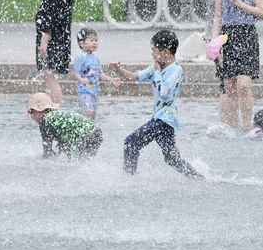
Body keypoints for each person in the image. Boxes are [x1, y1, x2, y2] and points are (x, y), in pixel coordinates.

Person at [109, 30, 203, 179]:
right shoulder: (156, 67)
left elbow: (164, 92)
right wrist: (118, 70)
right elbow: (136, 76)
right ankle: (198, 179)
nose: (152, 54)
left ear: (165, 51)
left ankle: (127, 179)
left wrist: (158, 73)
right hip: (163, 120)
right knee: (172, 158)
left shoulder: (176, 70)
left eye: (154, 50)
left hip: (164, 119)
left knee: (130, 143)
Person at [212, 0, 263, 130]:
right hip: (227, 36)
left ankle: (247, 126)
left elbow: (261, 12)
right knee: (229, 86)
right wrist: (214, 42)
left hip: (247, 34)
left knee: (243, 85)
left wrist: (240, 4)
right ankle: (234, 126)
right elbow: (217, 17)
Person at [31, 0, 74, 104]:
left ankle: (55, 107)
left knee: (49, 76)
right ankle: (55, 105)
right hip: (62, 40)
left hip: (52, 42)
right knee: (51, 76)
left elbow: (48, 21)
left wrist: (44, 43)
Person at [26, 92, 103, 159]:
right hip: (95, 133)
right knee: (85, 162)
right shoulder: (57, 116)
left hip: (85, 137)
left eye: (31, 113)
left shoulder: (45, 121)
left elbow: (47, 150)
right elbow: (64, 142)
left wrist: (43, 157)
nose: (31, 116)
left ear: (38, 110)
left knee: (78, 163)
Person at [74, 28, 121, 120]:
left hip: (95, 90)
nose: (95, 43)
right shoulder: (80, 57)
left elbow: (100, 74)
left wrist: (111, 79)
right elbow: (76, 73)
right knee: (89, 113)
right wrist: (81, 79)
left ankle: (91, 132)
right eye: (91, 40)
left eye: (96, 40)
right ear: (82, 43)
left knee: (93, 115)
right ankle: (84, 131)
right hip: (85, 91)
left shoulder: (96, 58)